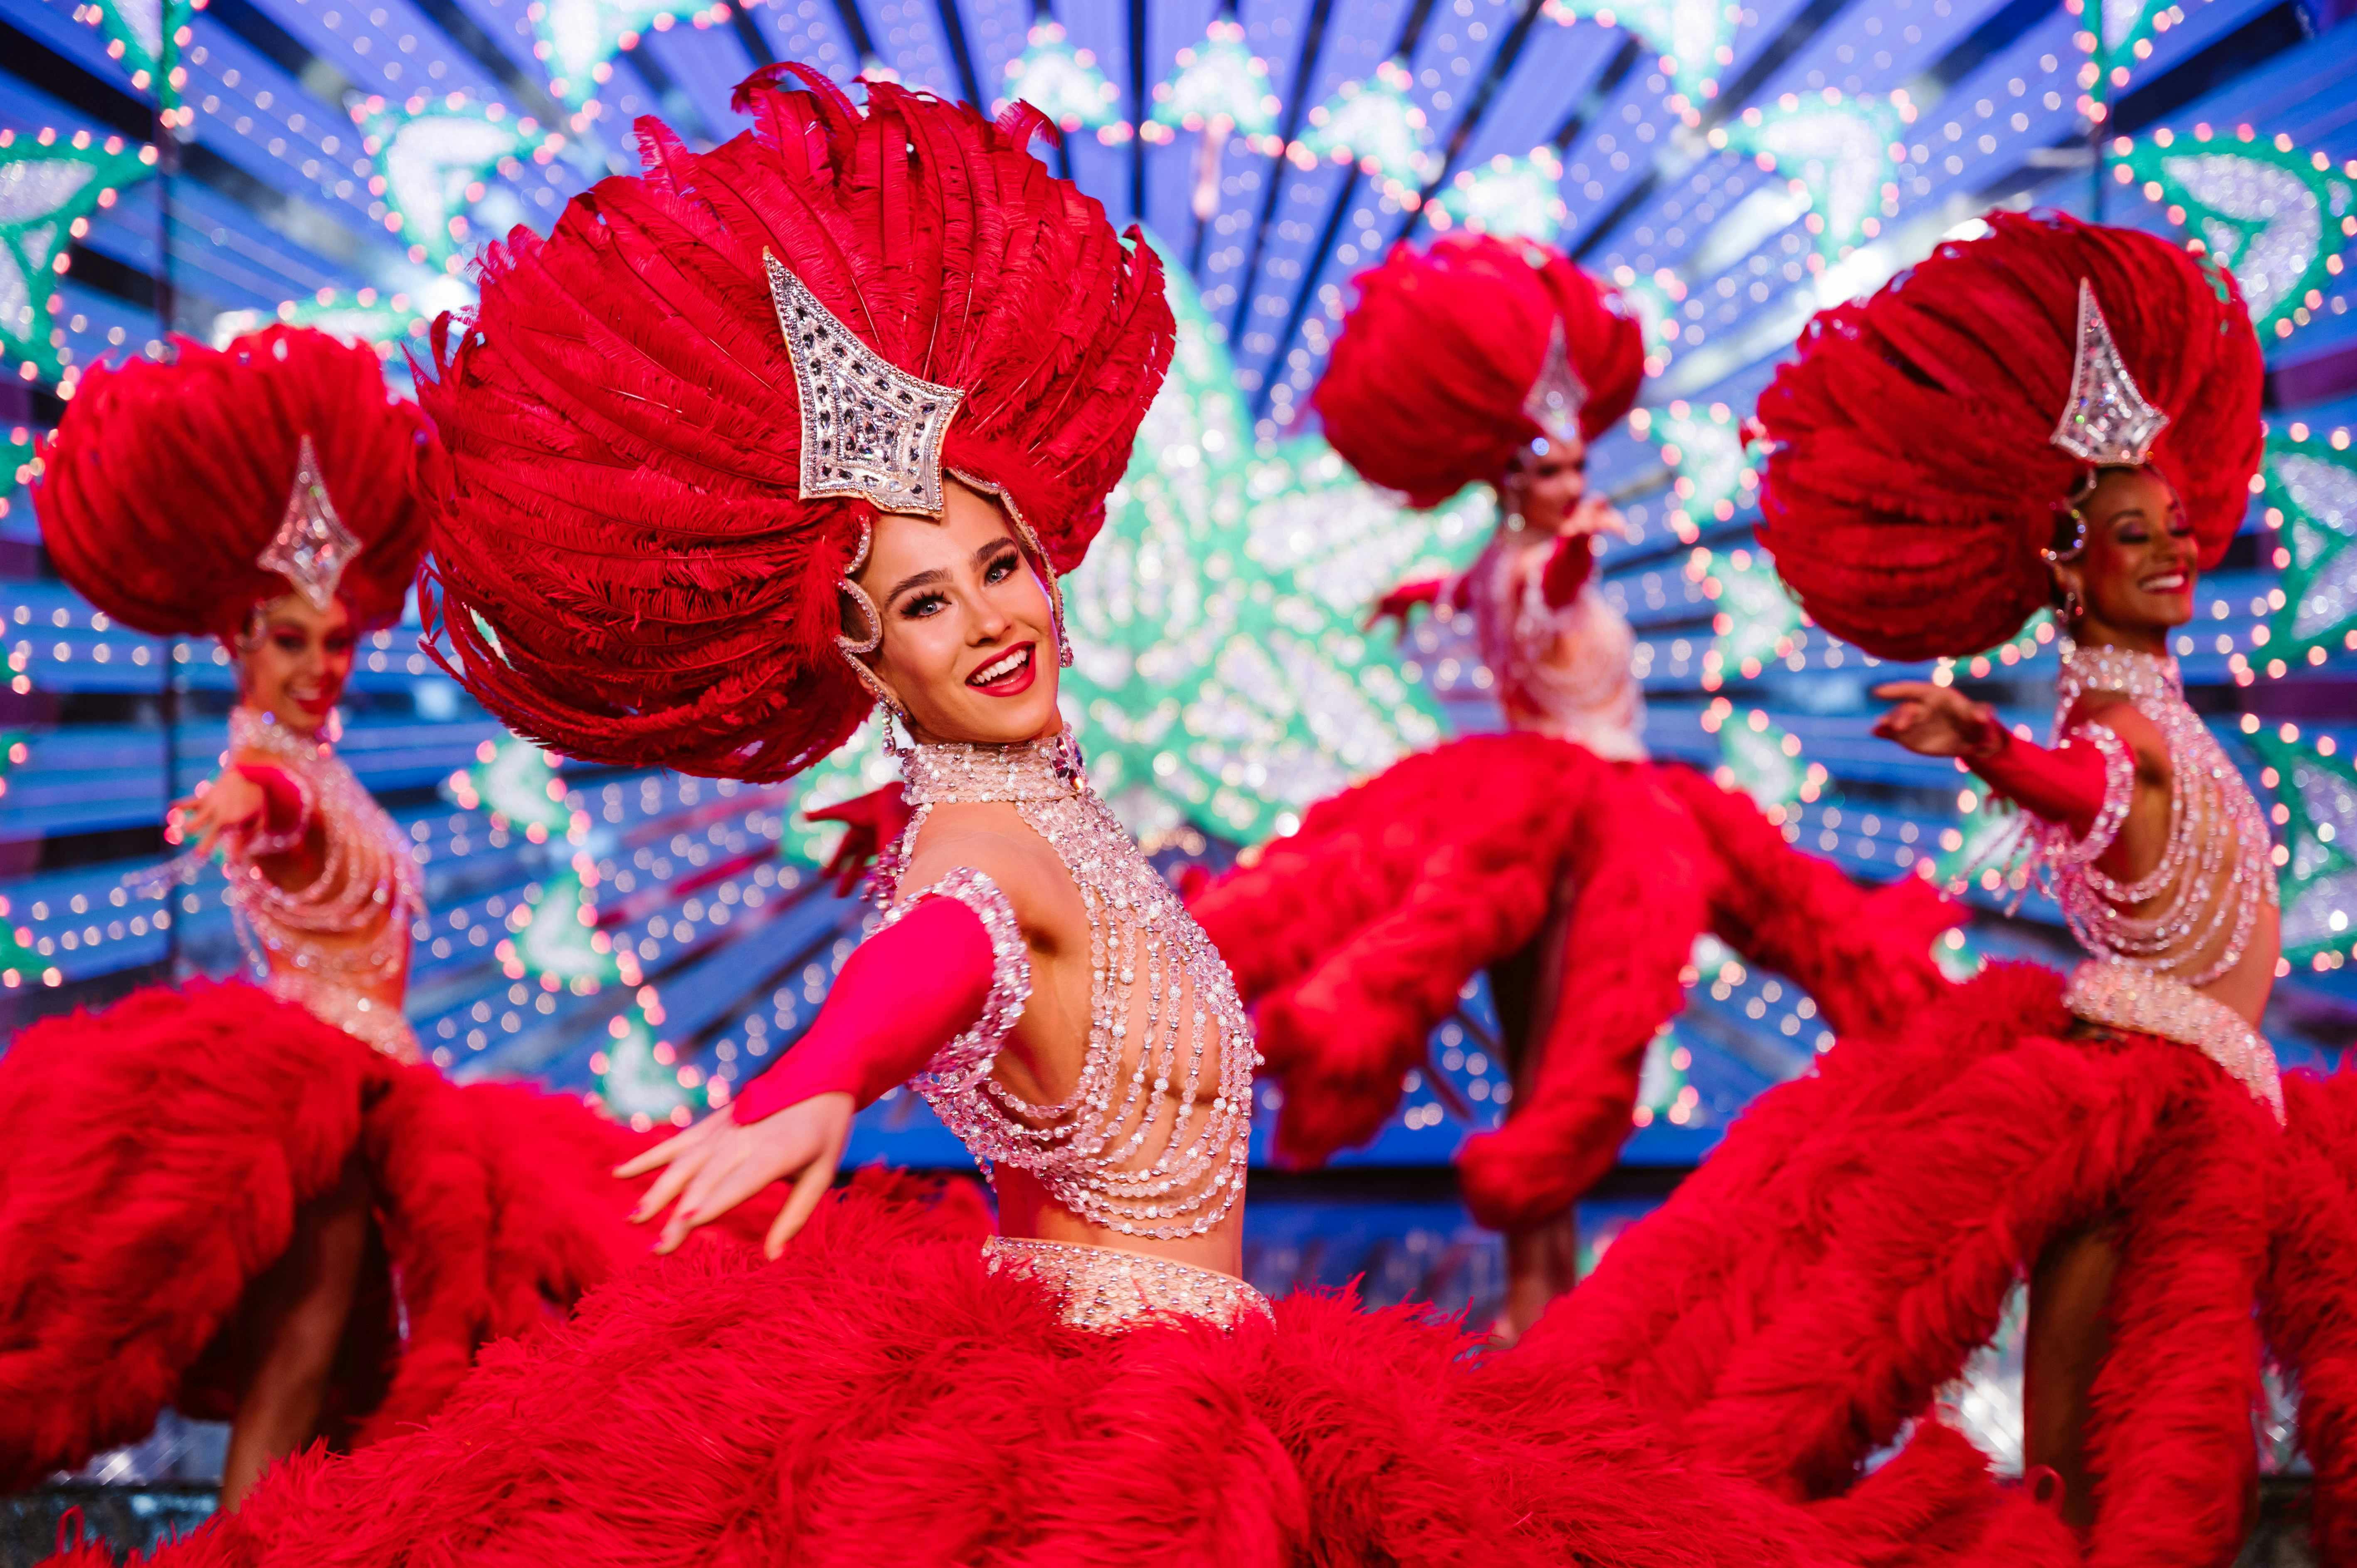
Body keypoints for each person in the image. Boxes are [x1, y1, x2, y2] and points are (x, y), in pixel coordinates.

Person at [89, 69, 2084, 1566]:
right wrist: (810, 1082)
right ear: (866, 659)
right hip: (1110, 1432)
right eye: (926, 602)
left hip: (1212, 1379)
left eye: (1004, 564)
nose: (992, 618)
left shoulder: (1040, 817)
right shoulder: (979, 853)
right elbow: (938, 957)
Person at [1515, 210, 2357, 1561]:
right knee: (2119, 1404)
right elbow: (2089, 782)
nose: (2173, 551)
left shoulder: (2162, 718)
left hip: (2224, 1096)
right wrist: (1985, 744)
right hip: (2139, 1091)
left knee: (2183, 1381)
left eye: (2178, 526)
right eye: (2135, 533)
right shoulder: (2119, 735)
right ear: (2065, 569)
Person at [0, 327, 785, 1507]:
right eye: (293, 642)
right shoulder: (272, 771)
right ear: (238, 644)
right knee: (310, 1342)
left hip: (385, 1089)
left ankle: (296, 1530)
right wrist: (236, 801)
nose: (322, 667)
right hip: (315, 1094)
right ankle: (255, 1540)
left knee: (363, 1353)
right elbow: (262, 806)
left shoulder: (322, 767)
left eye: (338, 643)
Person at [1188, 234, 1953, 1341]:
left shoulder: (1497, 570)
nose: (1570, 487)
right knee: (1550, 1048)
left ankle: (1543, 1288)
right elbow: (1539, 588)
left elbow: (1485, 584)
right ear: (1512, 486)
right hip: (1549, 802)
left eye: (1574, 470)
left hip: (1597, 795)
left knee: (1586, 1032)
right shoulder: (1537, 569)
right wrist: (1568, 557)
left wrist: (1420, 593)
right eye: (1548, 474)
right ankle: (1539, 1297)